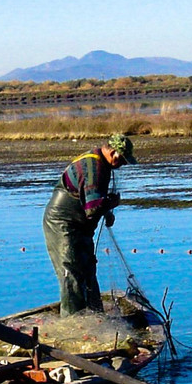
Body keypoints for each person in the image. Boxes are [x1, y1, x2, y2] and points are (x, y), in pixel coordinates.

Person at [43, 133, 137, 317]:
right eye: (123, 160)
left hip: (80, 226)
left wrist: (107, 212)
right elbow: (92, 209)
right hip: (63, 224)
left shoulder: (101, 163)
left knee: (87, 270)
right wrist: (112, 204)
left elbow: (94, 197)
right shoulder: (95, 167)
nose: (123, 164)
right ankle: (73, 323)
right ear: (114, 153)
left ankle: (95, 316)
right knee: (71, 272)